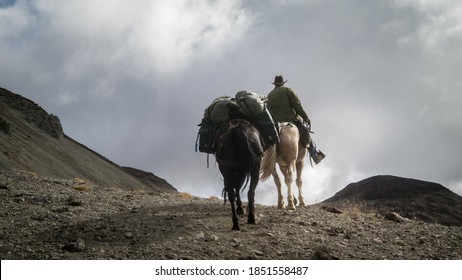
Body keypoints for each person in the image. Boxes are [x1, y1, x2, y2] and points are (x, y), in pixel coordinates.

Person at [266, 75, 325, 164]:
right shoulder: (288, 90)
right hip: (291, 120)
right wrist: (305, 118)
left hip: (276, 124)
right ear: (283, 83)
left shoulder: (269, 95)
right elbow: (297, 105)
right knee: (306, 134)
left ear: (274, 84)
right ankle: (314, 155)